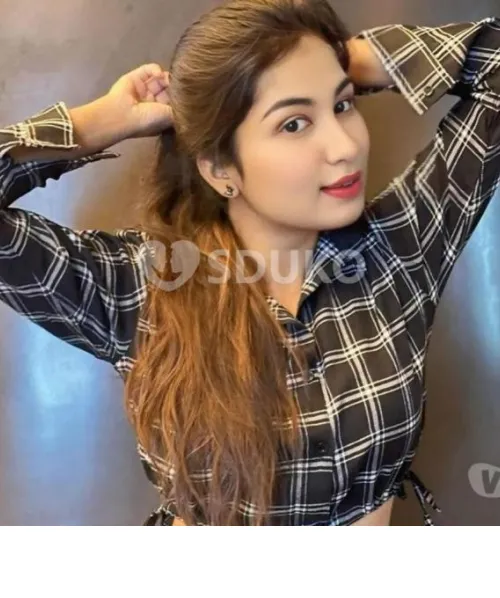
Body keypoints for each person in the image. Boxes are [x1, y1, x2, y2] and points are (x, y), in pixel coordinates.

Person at [0, 0, 498, 527]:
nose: (344, 146)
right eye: (294, 123)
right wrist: (97, 123)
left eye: (343, 105)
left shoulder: (402, 246)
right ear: (220, 170)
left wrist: (345, 58)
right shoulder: (139, 284)